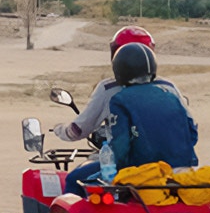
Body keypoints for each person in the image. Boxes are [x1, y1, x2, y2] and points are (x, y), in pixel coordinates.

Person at [65, 42, 198, 193]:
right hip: (182, 172)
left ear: (119, 71)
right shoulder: (171, 94)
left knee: (73, 180)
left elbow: (120, 148)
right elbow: (192, 134)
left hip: (142, 173)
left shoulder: (121, 100)